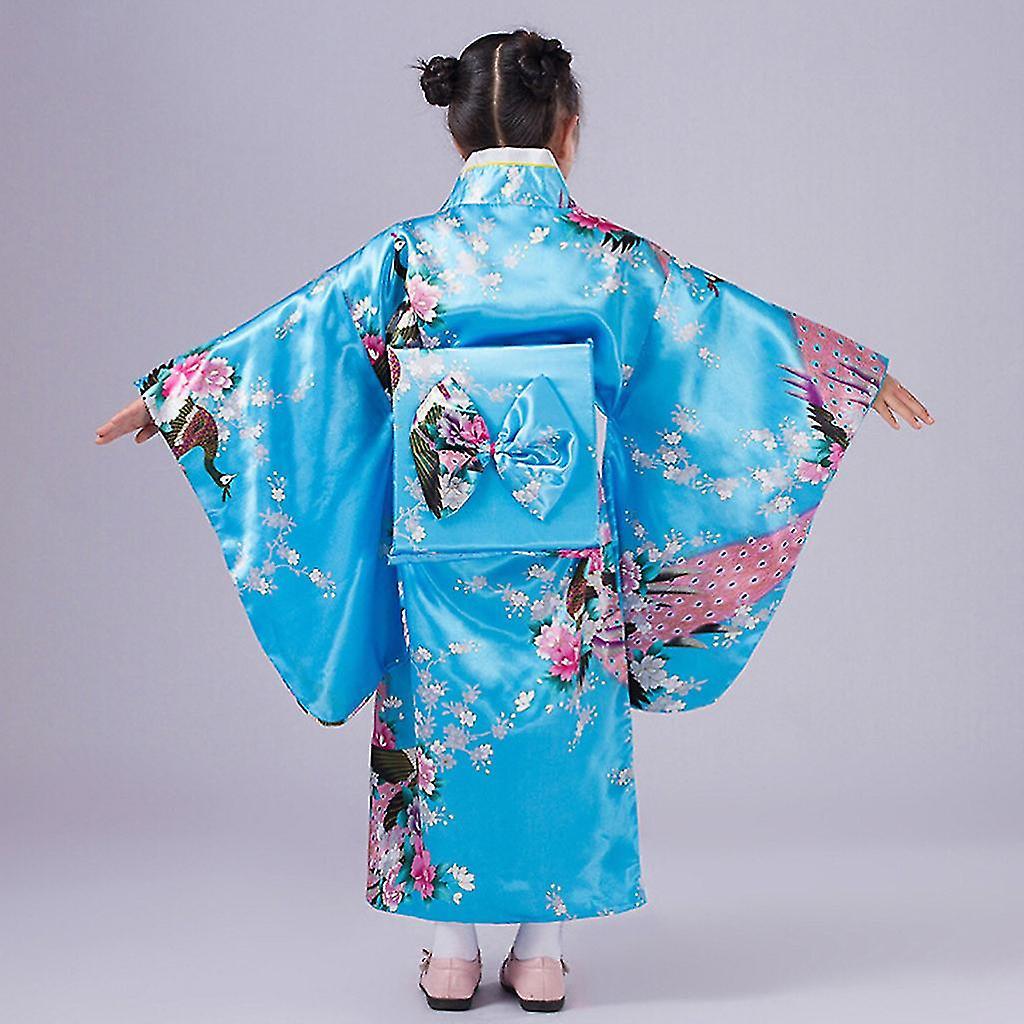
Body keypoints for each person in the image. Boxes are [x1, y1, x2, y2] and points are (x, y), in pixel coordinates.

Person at [95, 27, 933, 1014]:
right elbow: (717, 332)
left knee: (438, 718)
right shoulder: (609, 259)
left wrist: (179, 398)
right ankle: (541, 954)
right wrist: (846, 377)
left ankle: (450, 951)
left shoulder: (408, 253)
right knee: (561, 720)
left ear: (456, 138)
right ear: (568, 132)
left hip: (437, 538)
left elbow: (294, 344)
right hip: (563, 547)